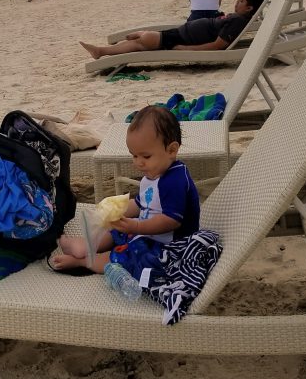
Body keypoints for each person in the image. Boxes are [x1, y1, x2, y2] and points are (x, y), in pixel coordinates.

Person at [51, 106, 199, 276]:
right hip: (146, 232)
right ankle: (86, 245)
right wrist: (112, 211)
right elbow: (139, 204)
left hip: (170, 246)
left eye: (146, 156)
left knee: (125, 257)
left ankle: (83, 261)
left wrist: (136, 226)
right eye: (134, 155)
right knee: (115, 229)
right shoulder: (152, 175)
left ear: (171, 150)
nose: (138, 163)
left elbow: (171, 221)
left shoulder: (175, 180)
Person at [79, 0, 266, 59]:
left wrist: (186, 50)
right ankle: (134, 39)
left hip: (183, 39)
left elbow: (217, 46)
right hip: (183, 32)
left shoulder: (237, 23)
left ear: (250, 8)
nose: (237, 1)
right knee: (140, 43)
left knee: (143, 42)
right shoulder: (237, 18)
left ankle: (101, 51)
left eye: (241, 0)